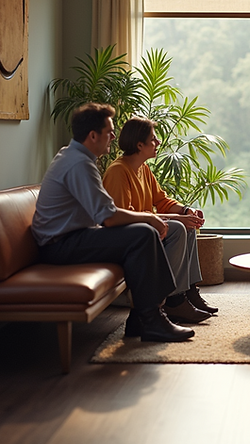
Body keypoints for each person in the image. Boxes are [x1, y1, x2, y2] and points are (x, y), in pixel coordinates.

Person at [31, 102, 193, 342]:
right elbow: (108, 217)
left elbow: (106, 212)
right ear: (93, 135)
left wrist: (153, 218)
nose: (114, 137)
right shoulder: (78, 164)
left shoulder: (76, 156)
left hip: (71, 238)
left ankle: (143, 318)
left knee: (141, 233)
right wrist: (150, 217)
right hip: (60, 245)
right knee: (143, 234)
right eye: (109, 131)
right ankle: (151, 319)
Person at [101, 117, 217, 324]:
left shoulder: (143, 169)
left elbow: (161, 201)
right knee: (178, 227)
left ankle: (188, 291)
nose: (158, 142)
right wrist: (176, 218)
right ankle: (173, 301)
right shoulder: (118, 172)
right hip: (130, 237)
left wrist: (186, 210)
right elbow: (123, 216)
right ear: (139, 145)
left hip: (149, 230)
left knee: (187, 226)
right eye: (153, 139)